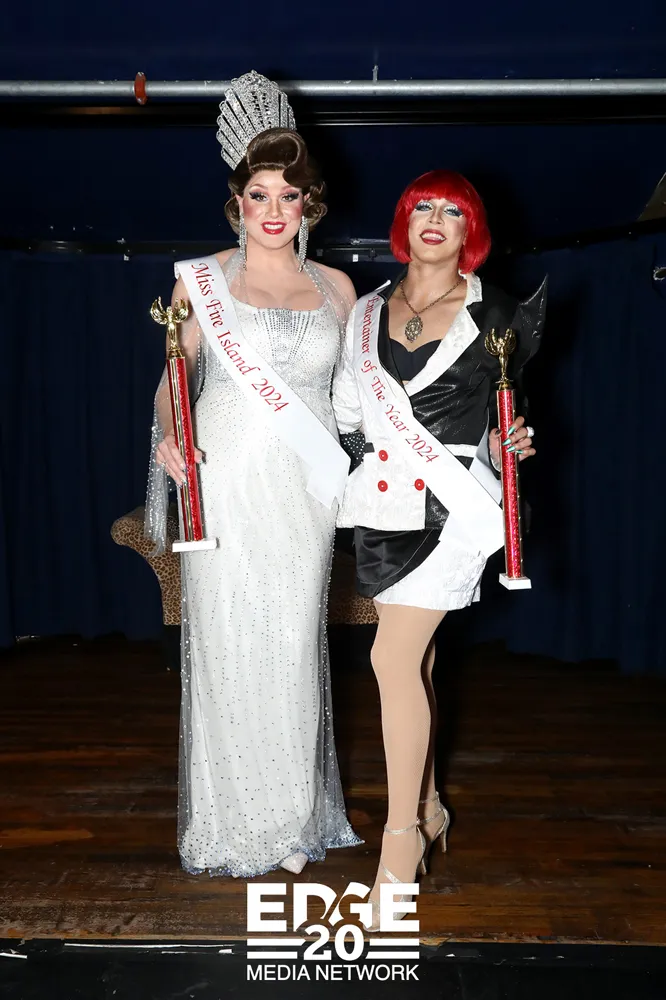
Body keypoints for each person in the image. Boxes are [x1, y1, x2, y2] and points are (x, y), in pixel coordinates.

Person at [145, 71, 361, 878]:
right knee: (229, 642)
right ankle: (233, 824)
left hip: (303, 490)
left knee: (293, 643)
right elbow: (172, 379)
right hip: (225, 475)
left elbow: (359, 397)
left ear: (309, 204)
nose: (275, 210)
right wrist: (173, 436)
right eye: (259, 195)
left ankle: (290, 819)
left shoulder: (338, 289)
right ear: (237, 203)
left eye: (289, 196)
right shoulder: (201, 281)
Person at [333, 170, 546, 926]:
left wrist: (511, 439)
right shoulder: (365, 312)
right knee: (415, 661)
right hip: (381, 508)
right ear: (403, 221)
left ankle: (398, 851)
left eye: (452, 211)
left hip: (453, 505)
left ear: (470, 232)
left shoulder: (498, 313)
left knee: (389, 659)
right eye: (422, 206)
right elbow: (348, 416)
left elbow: (502, 416)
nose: (434, 218)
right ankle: (428, 808)